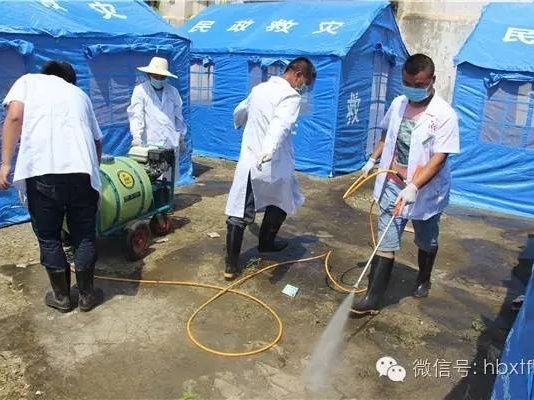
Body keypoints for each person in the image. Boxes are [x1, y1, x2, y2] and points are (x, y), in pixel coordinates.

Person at [351, 53, 460, 315]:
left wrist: (414, 186)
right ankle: (372, 299)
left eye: (418, 84)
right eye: (407, 83)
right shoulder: (398, 103)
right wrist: (372, 159)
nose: (412, 89)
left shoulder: (444, 115)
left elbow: (439, 158)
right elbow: (387, 135)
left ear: (432, 81)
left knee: (426, 239)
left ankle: (424, 277)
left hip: (425, 190)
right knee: (386, 239)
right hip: (392, 182)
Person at [0, 61, 104, 313]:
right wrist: (94, 171)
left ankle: (62, 298)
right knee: (84, 235)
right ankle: (87, 296)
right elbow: (97, 141)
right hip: (82, 173)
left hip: (42, 173)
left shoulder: (28, 82)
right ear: (70, 80)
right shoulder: (80, 95)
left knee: (49, 236)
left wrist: (5, 163)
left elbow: (14, 116)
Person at [224, 57, 317, 280]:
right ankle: (257, 247)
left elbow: (241, 110)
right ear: (298, 75)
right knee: (276, 202)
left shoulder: (259, 89)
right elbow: (281, 125)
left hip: (253, 159)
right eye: (304, 84)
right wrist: (267, 150)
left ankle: (234, 264)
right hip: (269, 159)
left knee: (253, 206)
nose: (302, 89)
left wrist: (239, 122)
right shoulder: (290, 96)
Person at [127, 56, 186, 182]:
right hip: (150, 143)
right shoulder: (141, 90)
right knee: (151, 179)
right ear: (149, 75)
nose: (159, 79)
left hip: (170, 141)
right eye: (156, 76)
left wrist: (181, 137)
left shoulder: (173, 92)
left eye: (162, 77)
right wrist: (137, 136)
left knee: (169, 180)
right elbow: (136, 115)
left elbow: (179, 117)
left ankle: (169, 194)